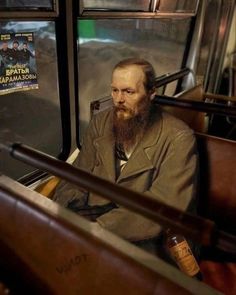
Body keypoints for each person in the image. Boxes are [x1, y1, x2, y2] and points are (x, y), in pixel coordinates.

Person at [52, 58, 198, 252]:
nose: (119, 100)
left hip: (147, 239)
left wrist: (98, 227)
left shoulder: (179, 138)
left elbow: (163, 206)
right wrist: (67, 210)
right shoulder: (101, 122)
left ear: (151, 93)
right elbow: (78, 174)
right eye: (115, 90)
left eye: (129, 92)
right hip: (92, 222)